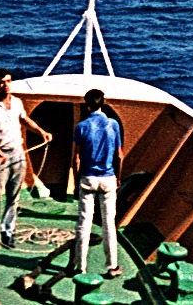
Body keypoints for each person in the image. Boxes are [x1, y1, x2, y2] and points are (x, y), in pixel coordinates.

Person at [0, 68, 49, 250]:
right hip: (0, 157)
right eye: (2, 82)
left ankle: (7, 232)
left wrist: (41, 132)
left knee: (13, 197)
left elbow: (25, 120)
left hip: (18, 153)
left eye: (8, 81)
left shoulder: (17, 103)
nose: (6, 85)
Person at [72, 87, 124, 277]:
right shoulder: (113, 125)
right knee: (109, 223)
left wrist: (78, 179)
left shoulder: (81, 127)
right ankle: (112, 266)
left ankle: (80, 266)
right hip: (108, 178)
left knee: (83, 222)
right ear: (103, 103)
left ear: (87, 106)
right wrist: (118, 177)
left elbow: (76, 158)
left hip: (88, 177)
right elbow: (119, 155)